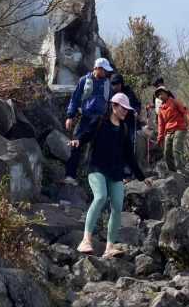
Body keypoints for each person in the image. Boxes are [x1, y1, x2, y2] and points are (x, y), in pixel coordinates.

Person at [70, 93, 151, 259]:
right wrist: (77, 140)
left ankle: (109, 247)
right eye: (123, 108)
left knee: (117, 206)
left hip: (115, 173)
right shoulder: (100, 121)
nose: (125, 112)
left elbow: (129, 156)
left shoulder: (124, 128)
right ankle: (86, 240)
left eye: (127, 109)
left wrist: (142, 178)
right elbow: (86, 133)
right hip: (96, 168)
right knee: (100, 197)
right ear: (114, 106)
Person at [64, 57, 114, 185]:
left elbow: (112, 103)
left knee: (99, 149)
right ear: (97, 68)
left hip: (100, 120)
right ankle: (70, 176)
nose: (106, 73)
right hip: (85, 118)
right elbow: (75, 99)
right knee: (76, 144)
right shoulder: (84, 80)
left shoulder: (108, 84)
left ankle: (95, 181)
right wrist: (70, 116)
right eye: (104, 70)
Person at [155, 86, 189, 172]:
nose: (160, 95)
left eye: (161, 93)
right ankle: (173, 172)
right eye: (158, 94)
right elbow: (161, 124)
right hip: (168, 131)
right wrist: (160, 138)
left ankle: (181, 170)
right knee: (166, 153)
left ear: (167, 93)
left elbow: (186, 112)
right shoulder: (160, 109)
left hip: (179, 128)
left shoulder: (175, 102)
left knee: (176, 150)